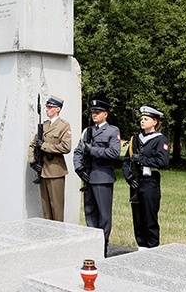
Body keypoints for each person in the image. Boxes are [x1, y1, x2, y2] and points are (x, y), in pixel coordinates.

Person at [73, 98, 121, 256]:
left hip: (102, 177)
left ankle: (103, 244)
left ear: (105, 114)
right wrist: (79, 168)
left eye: (98, 112)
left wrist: (92, 150)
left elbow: (114, 153)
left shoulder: (112, 131)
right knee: (90, 212)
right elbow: (78, 151)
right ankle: (92, 243)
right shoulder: (88, 131)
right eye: (93, 112)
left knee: (103, 214)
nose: (94, 114)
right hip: (88, 177)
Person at [122, 105, 170, 250]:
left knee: (150, 217)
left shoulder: (160, 140)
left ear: (154, 122)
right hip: (136, 181)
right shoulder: (136, 139)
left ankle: (153, 247)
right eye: (142, 119)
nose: (142, 121)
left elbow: (163, 161)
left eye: (146, 119)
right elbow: (126, 160)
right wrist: (128, 176)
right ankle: (141, 246)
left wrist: (142, 159)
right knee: (137, 217)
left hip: (150, 182)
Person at [27, 95, 72, 222]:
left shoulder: (63, 126)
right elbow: (32, 145)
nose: (47, 109)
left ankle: (59, 236)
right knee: (46, 208)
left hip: (56, 171)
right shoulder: (44, 126)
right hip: (43, 171)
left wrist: (45, 146)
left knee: (56, 208)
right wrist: (32, 161)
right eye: (47, 107)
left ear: (58, 109)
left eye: (50, 107)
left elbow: (66, 147)